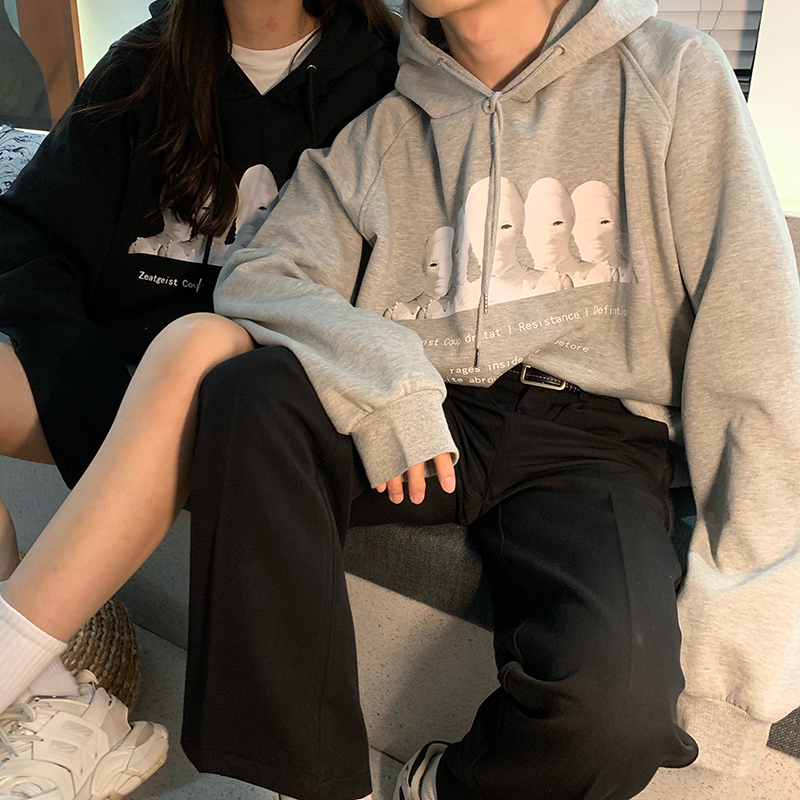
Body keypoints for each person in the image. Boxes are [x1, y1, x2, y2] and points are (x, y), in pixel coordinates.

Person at [184, 0, 798, 798]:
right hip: (428, 413)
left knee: (615, 718)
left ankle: (445, 783)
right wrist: (393, 387)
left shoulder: (672, 74)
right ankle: (308, 781)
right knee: (250, 393)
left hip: (597, 437)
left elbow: (754, 344)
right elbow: (262, 274)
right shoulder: (387, 126)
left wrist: (739, 648)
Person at [0, 0, 398, 796]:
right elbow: (27, 239)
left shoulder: (388, 79)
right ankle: (49, 699)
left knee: (207, 348)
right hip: (115, 383)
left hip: (265, 410)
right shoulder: (144, 62)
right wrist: (101, 397)